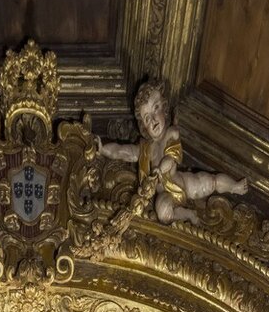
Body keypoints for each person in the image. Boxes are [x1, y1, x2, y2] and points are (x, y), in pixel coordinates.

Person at [98, 81, 247, 225]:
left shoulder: (171, 133)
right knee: (163, 213)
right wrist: (103, 149)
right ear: (143, 126)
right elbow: (123, 151)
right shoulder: (145, 148)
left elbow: (171, 158)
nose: (153, 119)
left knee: (210, 182)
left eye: (156, 108)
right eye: (147, 118)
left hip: (183, 183)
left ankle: (234, 187)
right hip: (165, 194)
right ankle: (188, 214)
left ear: (164, 108)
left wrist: (159, 170)